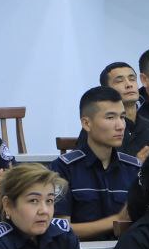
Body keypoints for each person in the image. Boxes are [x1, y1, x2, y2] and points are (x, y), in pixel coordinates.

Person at [49, 87, 141, 239]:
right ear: (86, 123)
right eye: (110, 118)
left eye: (122, 117)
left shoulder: (134, 168)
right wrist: (116, 220)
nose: (120, 126)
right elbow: (59, 229)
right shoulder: (63, 168)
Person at [99, 61, 149, 160]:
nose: (129, 85)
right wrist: (136, 164)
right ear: (106, 91)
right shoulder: (98, 130)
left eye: (132, 79)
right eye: (119, 81)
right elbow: (89, 168)